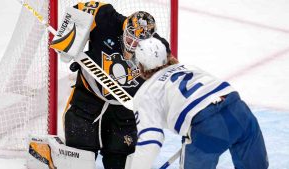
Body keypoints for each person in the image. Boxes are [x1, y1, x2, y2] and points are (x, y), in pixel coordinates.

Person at [125, 37, 269, 169]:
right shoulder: (190, 67)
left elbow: (150, 140)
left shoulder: (146, 93)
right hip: (239, 112)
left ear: (141, 66)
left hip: (208, 128)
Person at [60, 1, 171, 169]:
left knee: (120, 164)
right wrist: (69, 42)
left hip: (124, 112)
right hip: (88, 101)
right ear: (125, 27)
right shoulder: (106, 19)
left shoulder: (158, 49)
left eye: (139, 42)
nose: (132, 45)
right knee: (79, 160)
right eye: (130, 37)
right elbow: (79, 9)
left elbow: (168, 78)